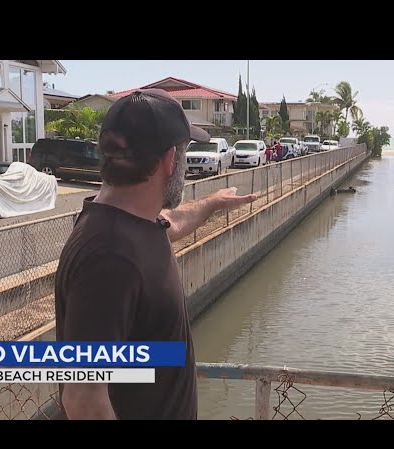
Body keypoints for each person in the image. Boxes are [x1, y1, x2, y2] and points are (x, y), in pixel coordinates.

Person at [54, 89, 257, 420]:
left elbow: (171, 222)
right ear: (170, 160)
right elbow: (82, 398)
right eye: (185, 151)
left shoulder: (132, 223)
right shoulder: (109, 256)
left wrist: (213, 202)